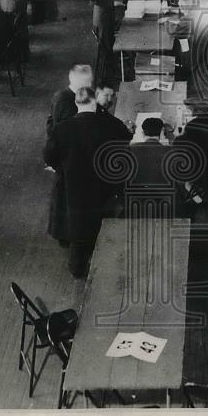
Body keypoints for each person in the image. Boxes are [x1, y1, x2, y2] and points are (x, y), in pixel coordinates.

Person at [44, 86, 132, 276]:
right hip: (102, 185)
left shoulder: (62, 129)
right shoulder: (110, 124)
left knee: (78, 223)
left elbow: (49, 157)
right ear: (94, 102)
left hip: (73, 185)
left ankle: (78, 268)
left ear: (76, 104)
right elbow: (125, 141)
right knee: (99, 221)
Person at [89, 0, 122, 84]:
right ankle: (101, 80)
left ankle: (109, 76)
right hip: (101, 19)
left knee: (109, 47)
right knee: (104, 50)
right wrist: (112, 3)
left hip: (109, 16)